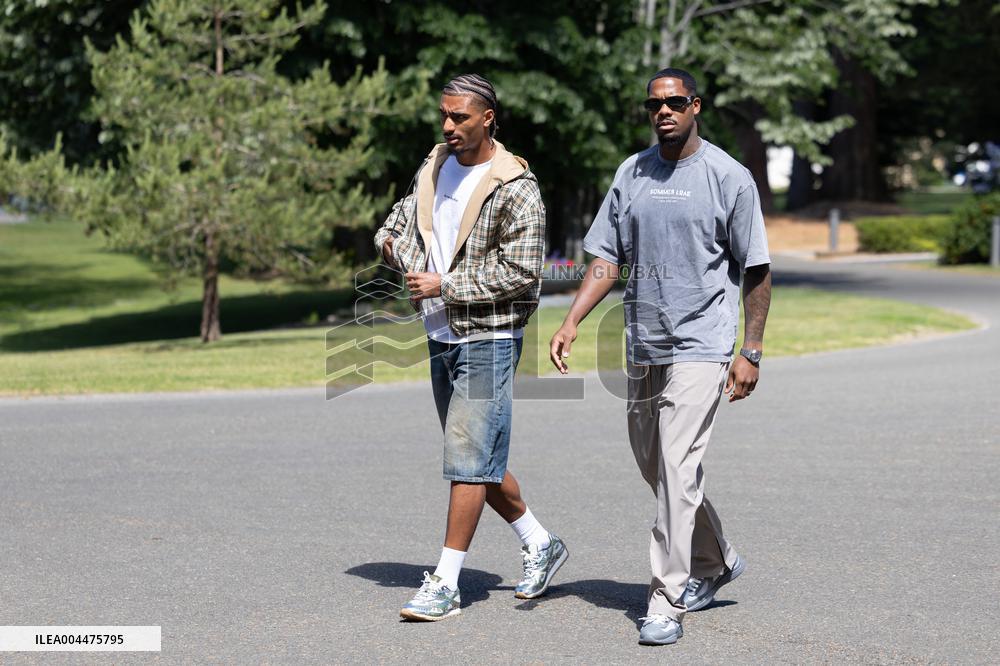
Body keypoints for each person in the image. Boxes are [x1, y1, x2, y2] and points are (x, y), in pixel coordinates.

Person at [549, 67, 771, 645]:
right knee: (655, 464)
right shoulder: (633, 172)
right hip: (645, 341)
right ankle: (716, 558)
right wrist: (573, 319)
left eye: (674, 102)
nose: (663, 111)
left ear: (696, 105)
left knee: (676, 465)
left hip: (703, 342)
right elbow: (605, 257)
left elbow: (756, 269)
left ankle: (666, 598)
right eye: (654, 104)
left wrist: (750, 349)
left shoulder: (729, 176)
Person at [374, 74, 567, 621]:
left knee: (466, 457)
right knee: (476, 458)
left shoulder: (514, 185)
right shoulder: (433, 164)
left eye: (459, 117)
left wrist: (446, 284)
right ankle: (540, 543)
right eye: (444, 115)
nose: (448, 125)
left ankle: (446, 582)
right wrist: (403, 256)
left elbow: (524, 270)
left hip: (490, 335)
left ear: (488, 118)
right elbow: (393, 226)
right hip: (439, 333)